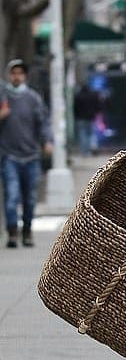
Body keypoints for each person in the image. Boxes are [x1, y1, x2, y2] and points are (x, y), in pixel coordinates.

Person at [0, 59, 53, 248]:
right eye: (13, 73)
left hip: (31, 156)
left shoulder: (33, 98)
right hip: (9, 156)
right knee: (12, 195)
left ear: (25, 76)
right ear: (9, 75)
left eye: (20, 73)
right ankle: (12, 231)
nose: (17, 76)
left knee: (30, 198)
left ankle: (27, 230)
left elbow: (43, 122)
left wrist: (47, 141)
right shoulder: (3, 97)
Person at [73, 83, 102, 155]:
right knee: (91, 133)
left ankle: (84, 151)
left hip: (80, 118)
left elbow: (75, 108)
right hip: (91, 117)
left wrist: (76, 116)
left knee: (82, 134)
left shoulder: (78, 96)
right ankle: (92, 148)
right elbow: (98, 106)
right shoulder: (93, 96)